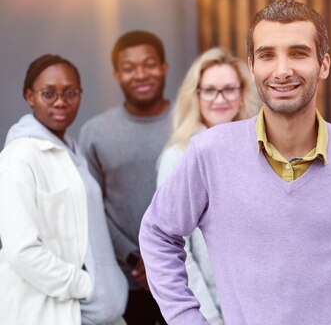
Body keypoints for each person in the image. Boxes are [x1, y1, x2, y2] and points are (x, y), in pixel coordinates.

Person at [140, 0, 331, 325]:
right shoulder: (209, 153)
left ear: (324, 65)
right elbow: (158, 233)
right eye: (267, 55)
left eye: (298, 53)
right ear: (251, 67)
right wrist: (186, 319)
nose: (282, 70)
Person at [0, 54, 127, 324]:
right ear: (29, 96)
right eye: (48, 93)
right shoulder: (19, 156)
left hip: (98, 312)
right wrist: (85, 285)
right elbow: (21, 250)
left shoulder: (72, 152)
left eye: (70, 92)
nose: (60, 101)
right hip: (57, 310)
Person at [156, 46, 261, 324]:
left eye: (229, 89)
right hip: (213, 311)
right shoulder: (178, 156)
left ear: (242, 93)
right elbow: (177, 250)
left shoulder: (262, 151)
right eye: (210, 90)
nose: (220, 99)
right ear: (197, 95)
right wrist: (207, 318)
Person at [79, 30, 170, 324]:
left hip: (185, 274)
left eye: (150, 64)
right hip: (127, 280)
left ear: (165, 67)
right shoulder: (95, 132)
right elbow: (91, 207)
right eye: (129, 68)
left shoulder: (191, 122)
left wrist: (165, 258)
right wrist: (134, 257)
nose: (141, 75)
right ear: (117, 75)